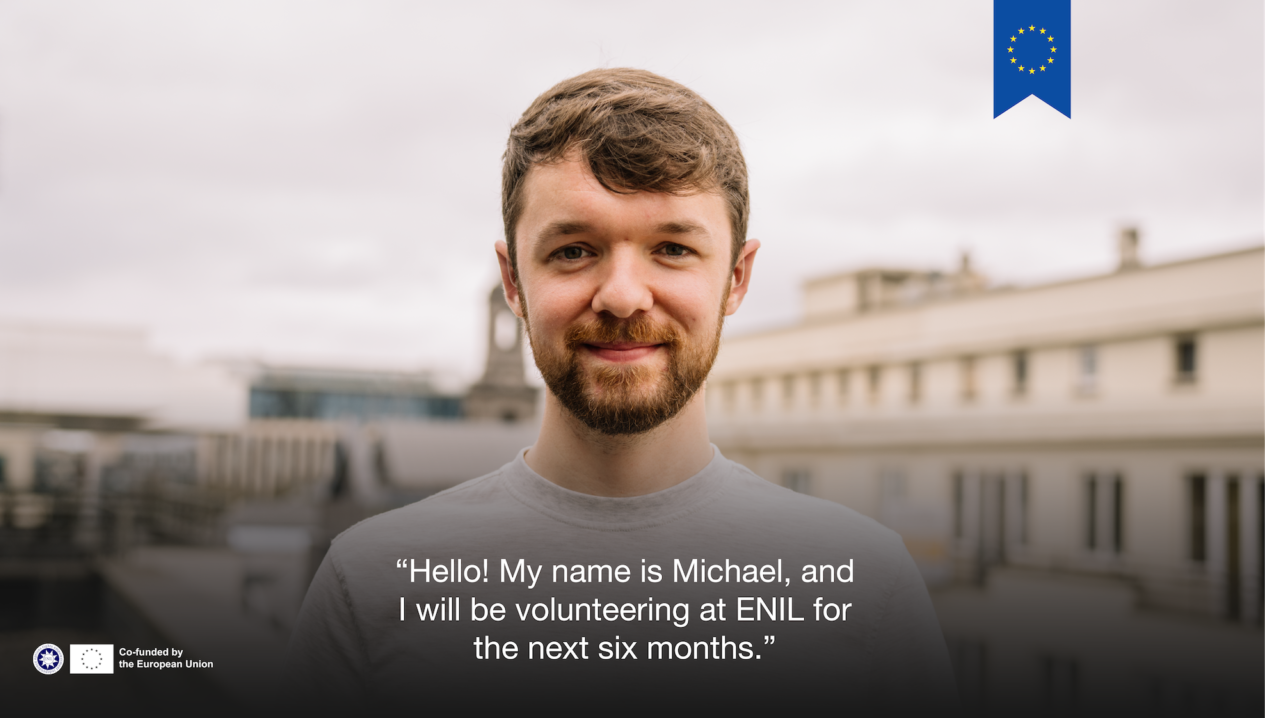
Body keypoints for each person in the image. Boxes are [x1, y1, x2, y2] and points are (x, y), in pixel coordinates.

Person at [285, 68, 958, 713]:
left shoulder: (868, 588)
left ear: (737, 278)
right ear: (513, 281)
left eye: (672, 248)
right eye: (574, 250)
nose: (623, 296)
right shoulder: (370, 586)